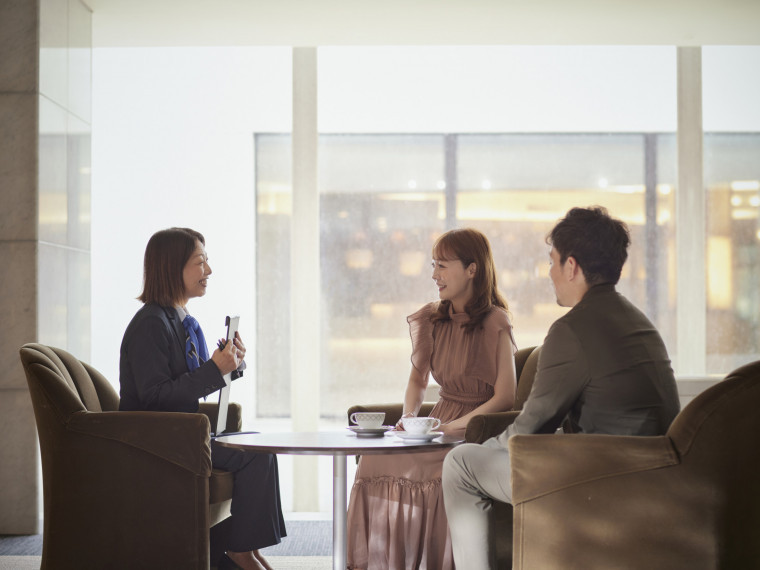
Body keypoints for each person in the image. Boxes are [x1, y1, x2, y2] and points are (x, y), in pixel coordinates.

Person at [442, 206, 681, 569]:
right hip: (653, 476)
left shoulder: (572, 330)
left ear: (572, 267)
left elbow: (527, 430)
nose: (549, 273)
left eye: (552, 262)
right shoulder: (640, 322)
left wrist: (480, 448)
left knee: (460, 464)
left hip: (596, 477)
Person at [346, 228, 518, 570]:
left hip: (476, 430)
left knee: (431, 463)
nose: (434, 275)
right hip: (437, 422)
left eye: (442, 265)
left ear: (472, 269)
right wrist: (409, 419)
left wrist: (453, 427)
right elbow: (416, 379)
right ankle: (388, 563)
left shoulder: (496, 322)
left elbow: (505, 397)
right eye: (433, 265)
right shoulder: (432, 318)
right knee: (373, 458)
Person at [119, 227, 286, 570]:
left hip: (183, 437)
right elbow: (154, 397)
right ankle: (241, 552)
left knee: (260, 449)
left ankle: (246, 551)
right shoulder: (150, 325)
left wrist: (230, 366)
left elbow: (190, 382)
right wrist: (214, 369)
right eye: (201, 262)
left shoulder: (179, 322)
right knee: (258, 456)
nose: (208, 271)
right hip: (159, 444)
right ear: (172, 267)